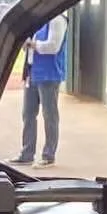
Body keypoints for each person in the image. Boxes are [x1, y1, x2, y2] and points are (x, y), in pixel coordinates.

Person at [11, 14, 68, 167]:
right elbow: (30, 48)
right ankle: (27, 153)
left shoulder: (57, 20)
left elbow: (53, 46)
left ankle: (49, 156)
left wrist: (32, 44)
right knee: (28, 113)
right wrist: (27, 46)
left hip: (49, 74)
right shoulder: (38, 22)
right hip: (33, 72)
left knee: (49, 115)